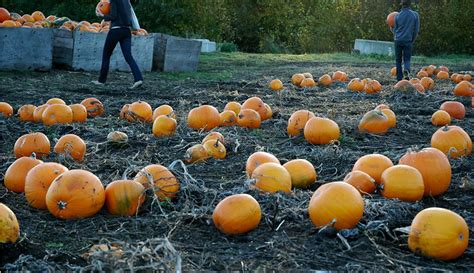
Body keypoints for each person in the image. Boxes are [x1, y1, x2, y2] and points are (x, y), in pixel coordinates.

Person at [92, 0, 143, 89]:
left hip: (116, 30)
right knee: (128, 56)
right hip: (127, 31)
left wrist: (102, 16)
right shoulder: (127, 1)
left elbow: (113, 16)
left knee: (106, 55)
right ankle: (138, 79)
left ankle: (101, 80)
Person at [392, 0, 420, 81]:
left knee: (398, 60)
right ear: (410, 4)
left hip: (398, 40)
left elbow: (395, 31)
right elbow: (416, 30)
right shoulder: (415, 15)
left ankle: (399, 79)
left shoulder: (397, 16)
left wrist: (391, 28)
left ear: (401, 4)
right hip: (408, 40)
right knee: (407, 59)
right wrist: (412, 40)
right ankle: (406, 70)